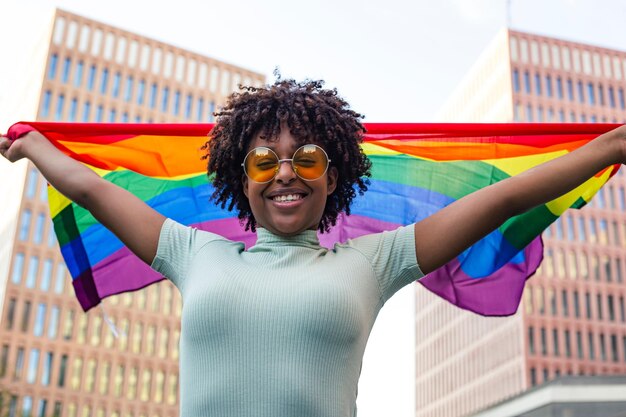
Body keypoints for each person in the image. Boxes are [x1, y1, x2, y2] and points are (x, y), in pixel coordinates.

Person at [1, 79, 625, 417]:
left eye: (307, 157)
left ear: (336, 175)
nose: (285, 173)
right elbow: (87, 185)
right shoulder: (190, 252)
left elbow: (501, 201)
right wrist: (33, 146)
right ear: (239, 179)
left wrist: (612, 147)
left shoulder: (375, 261)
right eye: (265, 159)